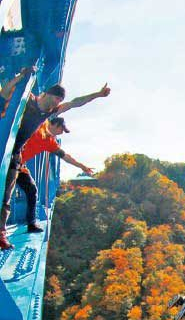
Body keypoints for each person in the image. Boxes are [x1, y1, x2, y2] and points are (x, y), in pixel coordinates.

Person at [0, 82, 110, 250]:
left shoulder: (49, 130)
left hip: (15, 157)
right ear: (45, 94)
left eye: (58, 102)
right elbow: (5, 93)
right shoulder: (27, 101)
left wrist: (98, 94)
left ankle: (7, 231)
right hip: (3, 148)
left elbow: (75, 103)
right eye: (54, 100)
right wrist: (19, 78)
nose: (55, 104)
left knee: (11, 194)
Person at [13, 117, 94, 233]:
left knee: (32, 190)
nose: (61, 133)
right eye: (62, 129)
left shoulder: (49, 142)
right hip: (8, 160)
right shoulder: (37, 123)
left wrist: (82, 166)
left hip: (20, 165)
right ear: (55, 124)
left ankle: (31, 224)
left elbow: (66, 157)